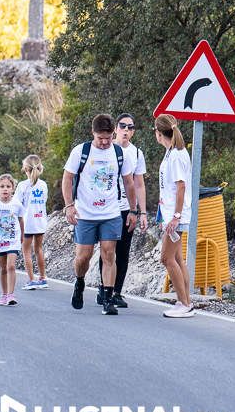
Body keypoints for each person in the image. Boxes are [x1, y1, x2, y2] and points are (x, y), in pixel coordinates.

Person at [62, 114, 137, 316]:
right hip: (85, 213)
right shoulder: (81, 151)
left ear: (113, 133)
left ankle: (107, 296)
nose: (104, 142)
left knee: (109, 253)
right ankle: (79, 282)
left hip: (111, 213)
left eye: (107, 138)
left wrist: (133, 209)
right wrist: (69, 206)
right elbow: (67, 178)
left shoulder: (120, 154)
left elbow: (129, 183)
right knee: (83, 257)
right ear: (93, 133)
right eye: (100, 138)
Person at [97, 113, 149, 308]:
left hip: (127, 209)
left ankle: (116, 291)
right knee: (107, 250)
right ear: (116, 129)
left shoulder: (136, 153)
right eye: (123, 126)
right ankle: (104, 289)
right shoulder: (107, 149)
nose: (126, 130)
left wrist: (140, 211)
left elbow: (139, 184)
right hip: (107, 208)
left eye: (130, 127)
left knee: (123, 251)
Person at [155, 114, 195, 318]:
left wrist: (176, 216)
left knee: (167, 258)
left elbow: (181, 187)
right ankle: (185, 300)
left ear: (159, 133)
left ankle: (184, 304)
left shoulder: (178, 154)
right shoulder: (171, 152)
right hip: (170, 214)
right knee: (177, 258)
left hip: (175, 216)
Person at [0, 174, 25, 306]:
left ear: (13, 188)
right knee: (3, 268)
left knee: (11, 266)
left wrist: (22, 235)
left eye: (8, 186)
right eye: (2, 186)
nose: (5, 189)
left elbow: (20, 220)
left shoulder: (17, 204)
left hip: (13, 241)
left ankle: (11, 294)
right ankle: (3, 294)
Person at [16, 155, 49, 290]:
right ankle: (43, 278)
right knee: (39, 249)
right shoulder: (43, 184)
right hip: (40, 220)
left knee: (26, 251)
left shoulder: (22, 185)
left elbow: (17, 205)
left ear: (25, 169)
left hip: (27, 222)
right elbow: (45, 200)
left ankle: (31, 280)